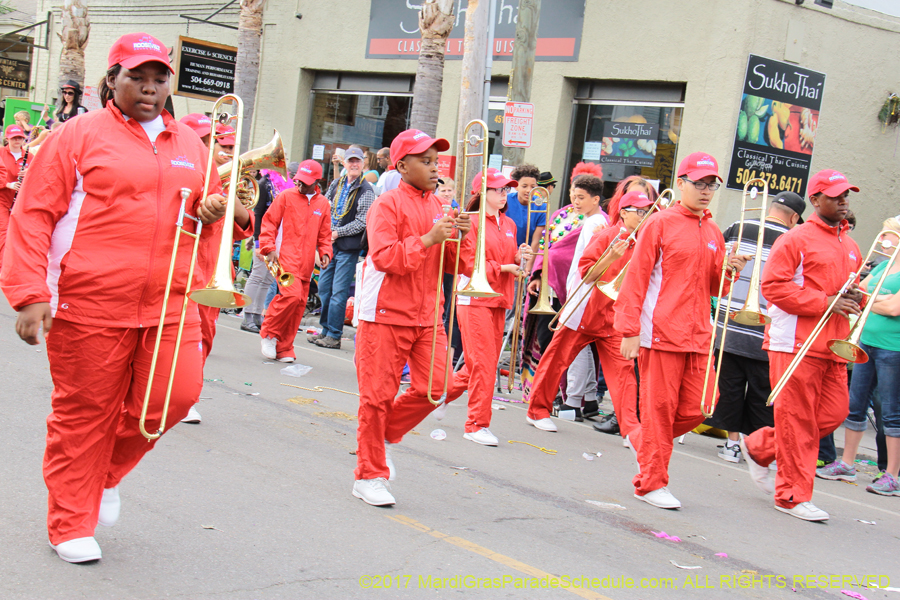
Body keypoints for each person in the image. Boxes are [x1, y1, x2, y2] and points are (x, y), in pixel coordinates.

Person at [0, 32, 231, 563]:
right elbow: (33, 214)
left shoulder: (191, 145)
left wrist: (215, 214)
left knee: (177, 398)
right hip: (89, 304)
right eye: (136, 77)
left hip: (171, 302)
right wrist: (30, 292)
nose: (149, 88)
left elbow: (203, 216)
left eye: (158, 78)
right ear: (112, 79)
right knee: (84, 415)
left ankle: (103, 474)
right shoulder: (76, 135)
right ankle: (69, 523)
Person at [615, 152, 750, 510]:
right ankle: (650, 483)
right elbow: (636, 278)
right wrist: (629, 329)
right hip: (660, 333)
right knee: (659, 410)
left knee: (701, 406)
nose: (706, 190)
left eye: (712, 184)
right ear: (681, 183)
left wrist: (731, 269)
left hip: (699, 335)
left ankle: (645, 441)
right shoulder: (659, 224)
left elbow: (715, 287)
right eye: (699, 183)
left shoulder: (713, 231)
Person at [352, 128, 473, 506]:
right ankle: (369, 475)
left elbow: (455, 266)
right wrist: (430, 239)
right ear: (401, 166)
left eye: (436, 161)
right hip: (385, 314)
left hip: (428, 315)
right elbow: (385, 257)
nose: (435, 168)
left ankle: (382, 435)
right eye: (426, 161)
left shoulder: (438, 206)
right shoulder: (386, 204)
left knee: (438, 387)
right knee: (376, 398)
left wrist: (462, 237)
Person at [741, 169, 863, 522]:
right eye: (835, 196)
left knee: (833, 413)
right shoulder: (795, 239)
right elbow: (773, 287)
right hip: (794, 343)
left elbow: (846, 293)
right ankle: (792, 496)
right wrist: (826, 302)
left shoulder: (851, 245)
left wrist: (858, 297)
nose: (843, 201)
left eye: (846, 195)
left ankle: (761, 445)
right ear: (815, 200)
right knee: (797, 422)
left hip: (833, 345)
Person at [526, 190, 650, 439]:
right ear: (624, 213)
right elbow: (586, 273)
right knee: (555, 361)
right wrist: (610, 258)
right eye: (639, 211)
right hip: (584, 312)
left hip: (614, 318)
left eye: (647, 211)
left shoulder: (644, 241)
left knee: (624, 374)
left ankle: (631, 429)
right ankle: (537, 411)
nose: (644, 215)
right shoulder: (606, 235)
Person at [710, 191, 805, 463]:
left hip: (729, 325)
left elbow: (718, 264)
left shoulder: (737, 227)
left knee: (729, 387)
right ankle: (756, 447)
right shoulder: (795, 240)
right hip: (768, 329)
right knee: (763, 393)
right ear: (794, 218)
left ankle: (732, 444)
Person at [433, 168, 525, 446]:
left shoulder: (509, 224)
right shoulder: (470, 221)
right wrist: (504, 268)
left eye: (505, 189)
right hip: (473, 299)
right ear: (482, 193)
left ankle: (442, 394)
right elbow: (467, 262)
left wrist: (519, 257)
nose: (504, 194)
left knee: (480, 363)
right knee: (483, 363)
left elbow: (507, 258)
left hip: (499, 297)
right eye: (498, 189)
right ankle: (476, 425)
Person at [177, 114, 254, 424]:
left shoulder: (224, 181)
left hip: (213, 272)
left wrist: (229, 197)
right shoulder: (178, 173)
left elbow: (244, 226)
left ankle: (187, 398)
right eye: (208, 143)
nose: (220, 151)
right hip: (179, 268)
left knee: (203, 337)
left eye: (217, 143)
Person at [815, 216, 900, 496]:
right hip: (866, 342)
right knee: (855, 404)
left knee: (892, 412)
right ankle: (847, 463)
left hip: (893, 347)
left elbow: (894, 308)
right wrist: (874, 299)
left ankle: (892, 474)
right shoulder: (884, 266)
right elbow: (859, 293)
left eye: (889, 234)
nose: (883, 239)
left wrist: (870, 300)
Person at [520, 163, 608, 427]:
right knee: (560, 346)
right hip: (558, 288)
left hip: (578, 293)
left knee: (571, 349)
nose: (575, 200)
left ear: (595, 198)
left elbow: (575, 257)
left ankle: (571, 400)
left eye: (581, 196)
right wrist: (538, 273)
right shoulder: (562, 214)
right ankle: (577, 399)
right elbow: (547, 245)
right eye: (573, 193)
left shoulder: (597, 222)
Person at [260, 160, 333, 362]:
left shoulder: (323, 203)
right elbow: (269, 223)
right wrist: (268, 248)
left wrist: (326, 252)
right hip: (284, 258)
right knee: (291, 296)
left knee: (299, 303)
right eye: (299, 179)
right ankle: (269, 333)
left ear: (317, 181)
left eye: (306, 181)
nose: (300, 184)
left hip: (306, 264)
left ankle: (284, 348)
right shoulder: (286, 196)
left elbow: (325, 234)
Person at [309, 146, 374, 350]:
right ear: (345, 163)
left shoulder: (366, 189)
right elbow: (324, 206)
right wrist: (324, 232)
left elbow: (363, 221)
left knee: (338, 292)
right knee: (324, 288)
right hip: (330, 245)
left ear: (362, 164)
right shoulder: (337, 183)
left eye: (357, 161)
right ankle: (326, 329)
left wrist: (337, 233)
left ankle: (334, 334)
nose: (354, 164)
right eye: (350, 161)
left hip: (347, 247)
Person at [240, 163, 297, 333]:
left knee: (268, 278)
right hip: (265, 236)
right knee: (257, 275)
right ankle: (247, 314)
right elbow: (258, 214)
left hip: (278, 237)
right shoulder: (264, 184)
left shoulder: (286, 185)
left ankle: (257, 313)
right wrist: (258, 242)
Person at [0, 125, 21, 271]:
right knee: (4, 232)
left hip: (19, 200)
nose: (17, 141)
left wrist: (29, 173)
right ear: (7, 139)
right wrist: (7, 184)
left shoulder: (29, 156)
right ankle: (4, 267)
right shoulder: (1, 153)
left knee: (16, 233)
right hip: (2, 198)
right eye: (14, 138)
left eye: (19, 137)